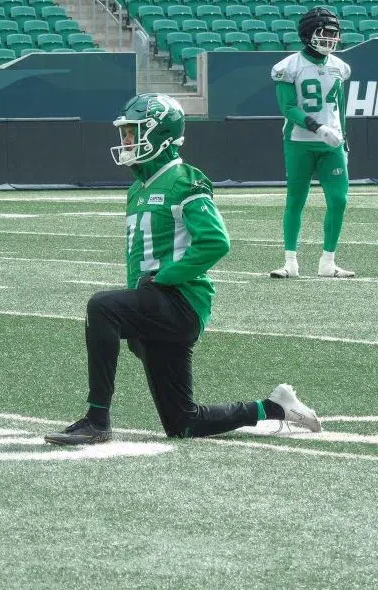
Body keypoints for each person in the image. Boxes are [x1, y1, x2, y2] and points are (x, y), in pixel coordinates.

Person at [45, 93, 321, 445]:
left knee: (101, 307)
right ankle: (275, 407)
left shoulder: (185, 180)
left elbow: (215, 241)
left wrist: (163, 279)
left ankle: (97, 420)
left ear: (161, 134)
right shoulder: (137, 188)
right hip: (154, 305)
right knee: (184, 423)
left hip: (180, 301)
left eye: (133, 132)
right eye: (125, 133)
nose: (126, 140)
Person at [269, 7, 354, 279]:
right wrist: (317, 127)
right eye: (324, 33)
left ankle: (328, 262)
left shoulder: (339, 66)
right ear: (308, 34)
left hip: (332, 144)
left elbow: (340, 105)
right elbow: (288, 108)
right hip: (300, 141)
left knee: (339, 200)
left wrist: (344, 137)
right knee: (296, 200)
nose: (330, 39)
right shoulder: (288, 66)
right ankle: (290, 262)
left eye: (333, 34)